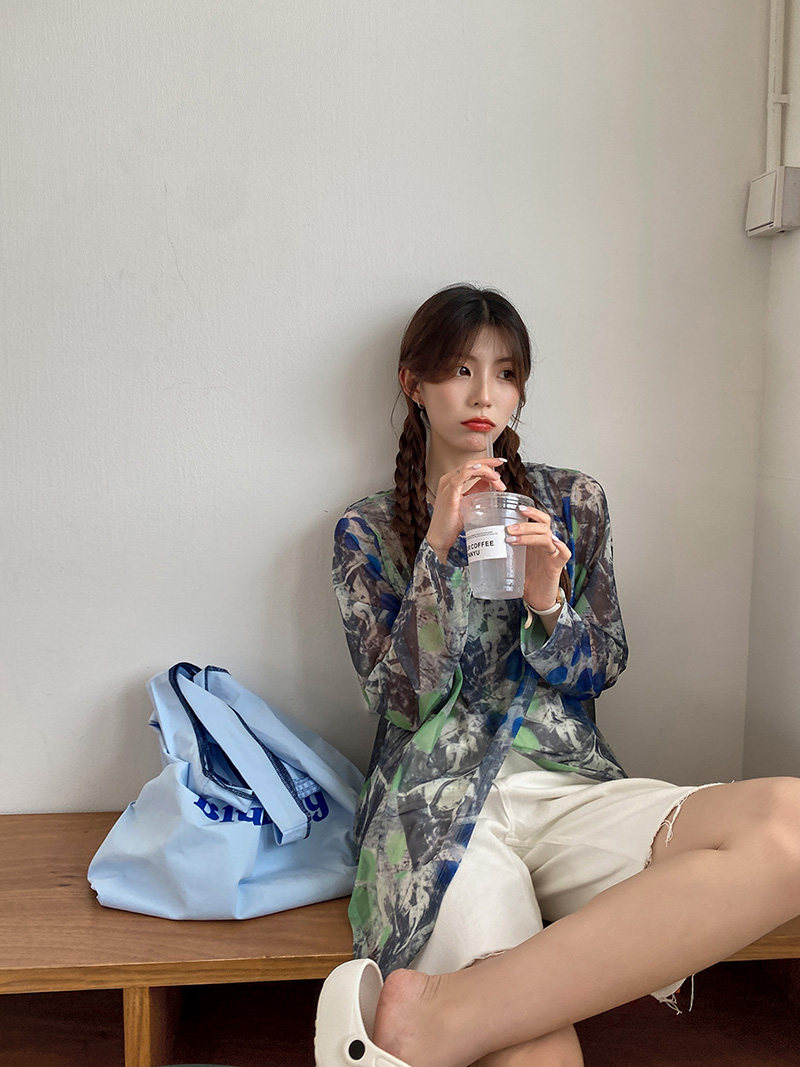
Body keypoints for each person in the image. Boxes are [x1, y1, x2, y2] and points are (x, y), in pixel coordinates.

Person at [315, 284, 800, 1067]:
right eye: (461, 370)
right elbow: (400, 701)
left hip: (567, 787)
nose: (485, 394)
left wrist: (548, 601)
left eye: (505, 373)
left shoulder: (573, 502)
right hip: (437, 805)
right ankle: (465, 1011)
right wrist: (436, 550)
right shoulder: (365, 530)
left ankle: (440, 1014)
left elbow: (600, 666)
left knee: (790, 823)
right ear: (415, 383)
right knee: (536, 1051)